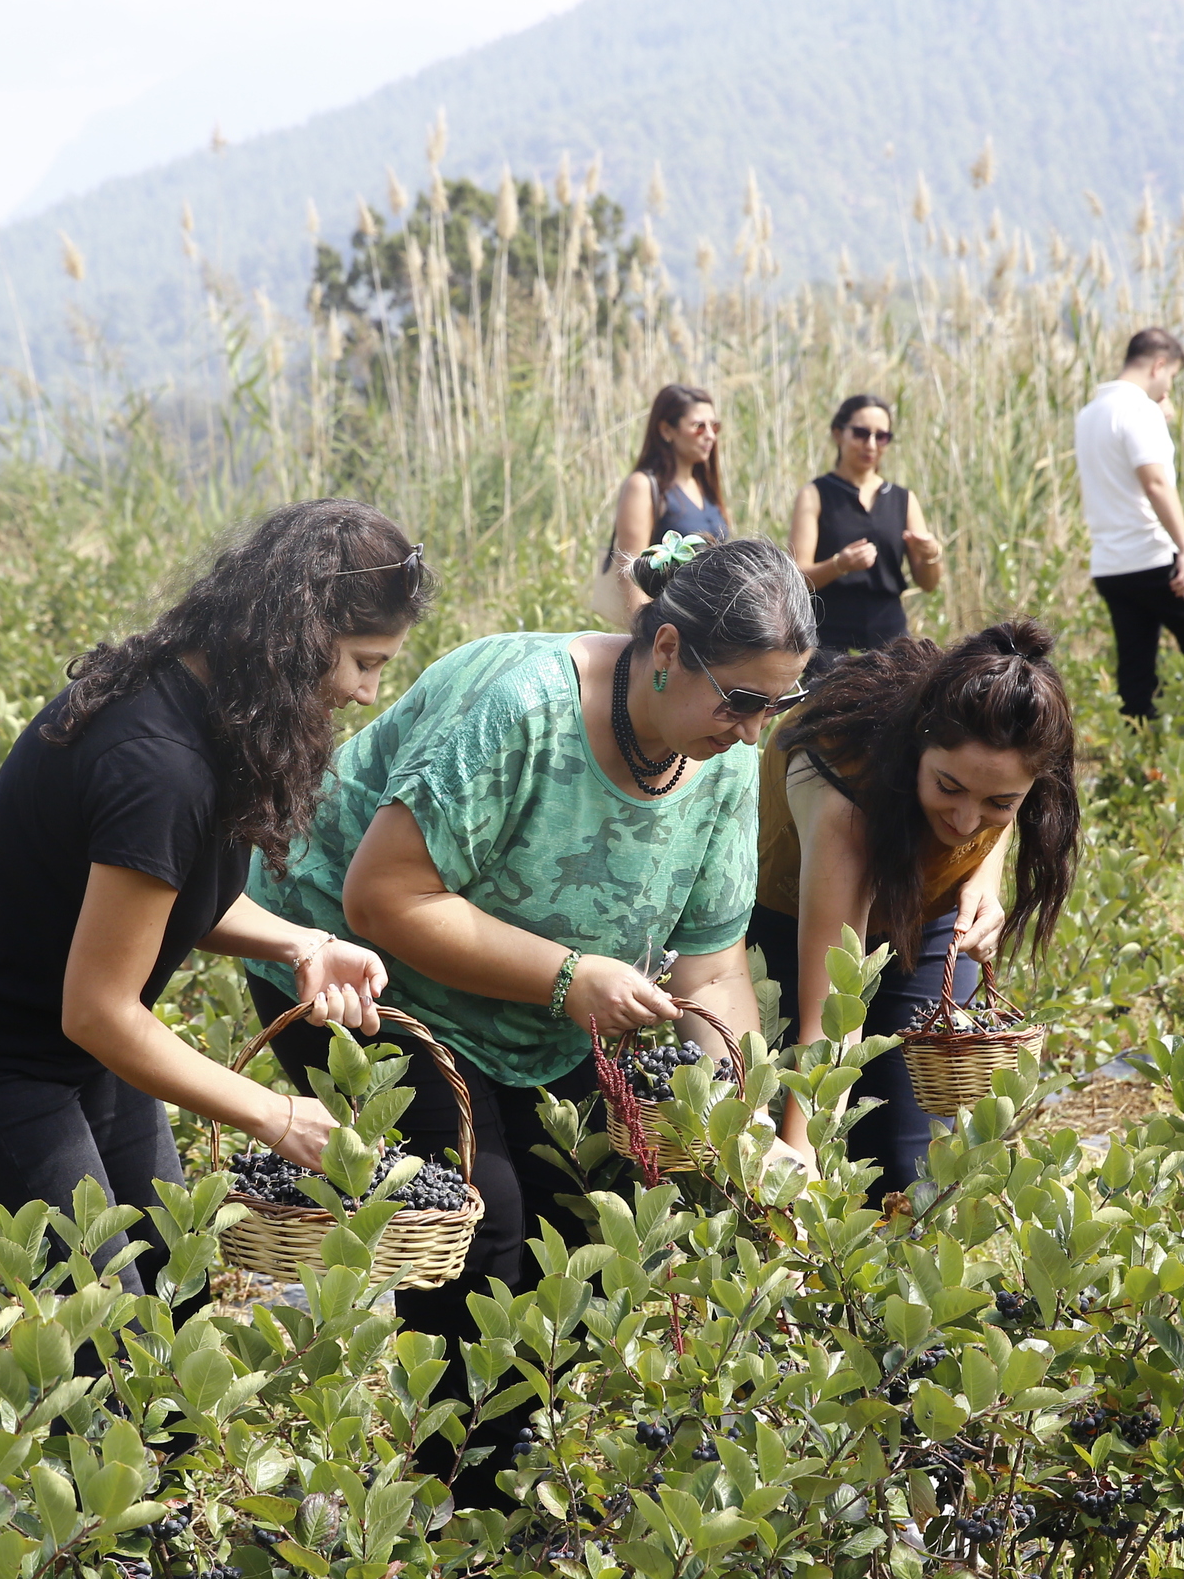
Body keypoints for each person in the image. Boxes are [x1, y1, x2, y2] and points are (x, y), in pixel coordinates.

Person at [248, 534, 816, 1501]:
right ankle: (444, 1511)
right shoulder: (521, 708)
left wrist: (745, 1111)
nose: (757, 732)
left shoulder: (715, 760)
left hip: (545, 998)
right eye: (743, 701)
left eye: (780, 704)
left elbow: (713, 967)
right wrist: (567, 978)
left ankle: (504, 1483)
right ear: (668, 650)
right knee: (486, 1228)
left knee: (589, 1222)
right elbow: (386, 899)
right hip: (353, 965)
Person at [0, 499, 428, 1300]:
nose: (367, 692)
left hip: (73, 1045)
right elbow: (99, 1009)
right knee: (104, 1337)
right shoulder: (157, 765)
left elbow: (159, 894)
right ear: (297, 640)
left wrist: (300, 945)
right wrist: (274, 1117)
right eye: (362, 662)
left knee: (178, 1282)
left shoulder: (211, 708)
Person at [747, 621, 1079, 1196]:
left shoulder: (1008, 769)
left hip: (923, 921)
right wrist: (796, 1170)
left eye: (1000, 802)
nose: (967, 821)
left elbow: (986, 815)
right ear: (916, 748)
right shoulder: (844, 800)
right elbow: (833, 1015)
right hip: (785, 920)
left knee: (914, 1174)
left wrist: (983, 874)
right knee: (773, 1124)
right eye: (947, 788)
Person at [1073, 328, 1184, 721]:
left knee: (1135, 671)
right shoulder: (1138, 411)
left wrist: (1157, 416)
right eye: (1171, 375)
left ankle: (1139, 759)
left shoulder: (1089, 414)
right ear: (1159, 365)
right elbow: (1154, 483)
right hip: (1155, 560)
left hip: (1112, 567)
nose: (1169, 385)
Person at [786, 393, 945, 668]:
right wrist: (840, 565)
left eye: (881, 437)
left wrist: (931, 554)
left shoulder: (903, 499)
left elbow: (928, 583)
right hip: (829, 638)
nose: (870, 444)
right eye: (861, 433)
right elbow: (798, 577)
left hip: (890, 638)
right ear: (838, 434)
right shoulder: (815, 494)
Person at [590, 382, 731, 624]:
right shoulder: (644, 485)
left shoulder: (707, 488)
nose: (710, 435)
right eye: (699, 427)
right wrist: (647, 637)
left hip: (710, 625)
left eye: (714, 426)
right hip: (668, 623)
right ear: (666, 430)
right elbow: (629, 570)